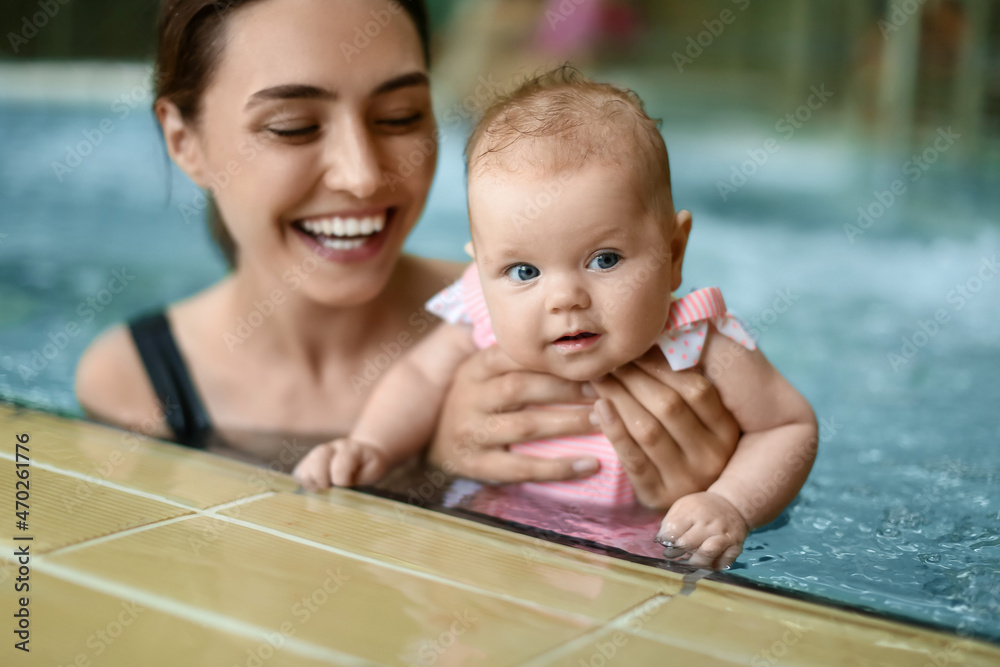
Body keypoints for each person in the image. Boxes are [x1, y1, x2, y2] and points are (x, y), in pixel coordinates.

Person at [75, 0, 740, 519]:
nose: (363, 177)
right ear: (183, 140)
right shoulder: (138, 383)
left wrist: (716, 486)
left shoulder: (553, 321)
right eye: (294, 127)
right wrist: (431, 461)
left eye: (399, 116)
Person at [293, 67, 818, 570]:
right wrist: (370, 445)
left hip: (653, 553)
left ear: (673, 252)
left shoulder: (696, 341)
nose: (565, 299)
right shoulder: (480, 314)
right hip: (496, 539)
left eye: (605, 259)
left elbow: (788, 427)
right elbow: (419, 376)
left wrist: (730, 504)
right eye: (523, 270)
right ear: (480, 269)